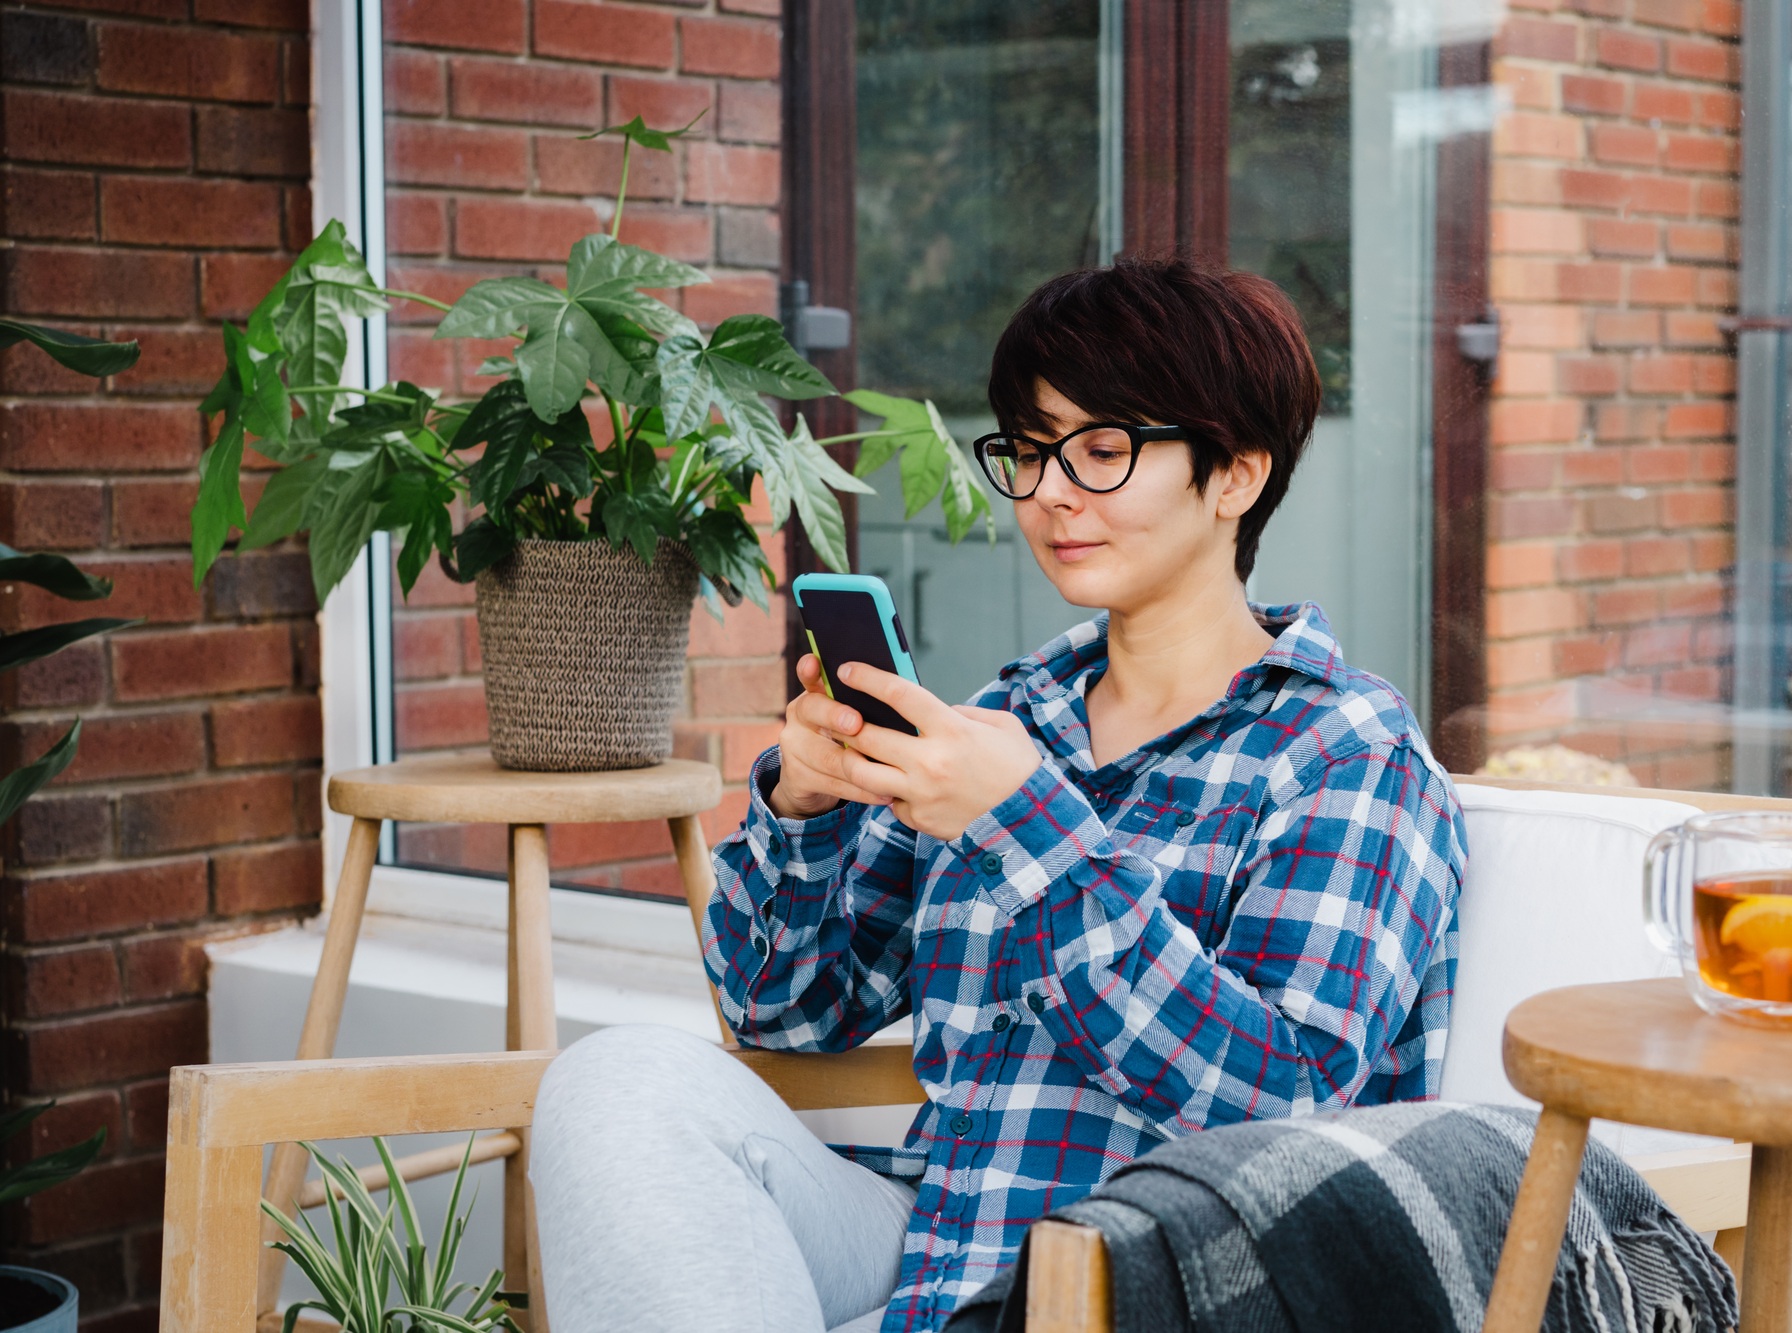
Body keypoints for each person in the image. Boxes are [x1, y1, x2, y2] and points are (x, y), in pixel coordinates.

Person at [530, 259, 1467, 1333]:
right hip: (942, 1251)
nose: (1051, 492)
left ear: (1235, 476)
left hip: (1171, 1292)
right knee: (618, 1081)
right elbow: (784, 1009)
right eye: (1028, 451)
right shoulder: (1008, 719)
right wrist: (804, 804)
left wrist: (1027, 828)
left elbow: (1287, 1108)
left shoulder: (1344, 750)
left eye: (1102, 450)